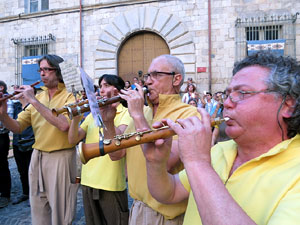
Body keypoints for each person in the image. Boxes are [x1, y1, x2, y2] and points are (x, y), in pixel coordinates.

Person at [141, 51, 300, 225]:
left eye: (243, 93)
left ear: (288, 105)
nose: (227, 103)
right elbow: (169, 193)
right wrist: (155, 163)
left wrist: (197, 162)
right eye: (228, 94)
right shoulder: (222, 150)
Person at [118, 54, 201, 225]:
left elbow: (167, 161)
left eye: (156, 75)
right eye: (148, 76)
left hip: (164, 216)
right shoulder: (144, 112)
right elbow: (117, 154)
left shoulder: (189, 114)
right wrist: (107, 118)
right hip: (138, 206)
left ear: (176, 79)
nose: (148, 81)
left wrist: (138, 116)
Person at [0, 55, 78, 225]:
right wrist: (3, 114)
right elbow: (18, 126)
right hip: (38, 157)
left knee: (61, 214)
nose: (42, 74)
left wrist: (32, 100)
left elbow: (64, 125)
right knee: (38, 212)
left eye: (46, 69)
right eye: (40, 70)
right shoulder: (40, 96)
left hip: (61, 157)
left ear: (57, 71)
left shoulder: (70, 96)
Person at [68, 74, 131, 225]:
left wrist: (107, 116)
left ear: (117, 90)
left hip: (111, 184)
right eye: (100, 86)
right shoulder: (92, 115)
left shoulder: (126, 113)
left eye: (106, 85)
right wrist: (76, 116)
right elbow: (72, 139)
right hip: (88, 181)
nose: (101, 90)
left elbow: (119, 142)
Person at [11, 87, 37, 205]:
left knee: (32, 171)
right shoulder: (16, 107)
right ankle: (25, 193)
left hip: (30, 142)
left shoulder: (34, 107)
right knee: (21, 171)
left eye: (22, 92)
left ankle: (34, 195)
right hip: (18, 142)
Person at [0, 80, 13, 208]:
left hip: (1, 137)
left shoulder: (7, 101)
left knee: (2, 165)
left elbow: (4, 123)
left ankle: (5, 194)